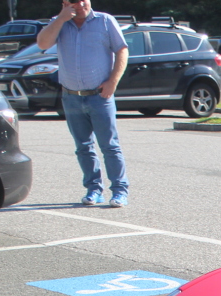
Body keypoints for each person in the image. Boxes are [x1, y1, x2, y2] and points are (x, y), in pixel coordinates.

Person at [37, 0, 130, 207]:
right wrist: (61, 18)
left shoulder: (105, 21)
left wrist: (113, 82)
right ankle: (94, 189)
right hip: (71, 97)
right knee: (83, 147)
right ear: (65, 4)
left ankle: (120, 191)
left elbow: (122, 50)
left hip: (100, 96)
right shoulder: (59, 23)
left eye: (83, 0)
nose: (80, 5)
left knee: (110, 146)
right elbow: (42, 43)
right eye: (74, 1)